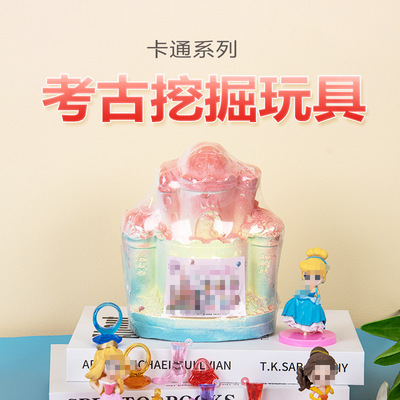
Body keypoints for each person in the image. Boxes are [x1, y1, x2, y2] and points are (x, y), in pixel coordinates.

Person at [282, 247, 329, 333]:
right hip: (303, 300)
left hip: (312, 302)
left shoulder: (316, 288)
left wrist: (317, 301)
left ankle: (308, 328)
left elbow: (318, 296)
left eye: (316, 276)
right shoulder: (308, 286)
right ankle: (299, 323)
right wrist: (299, 295)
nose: (311, 279)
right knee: (293, 302)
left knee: (311, 314)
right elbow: (304, 292)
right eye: (306, 275)